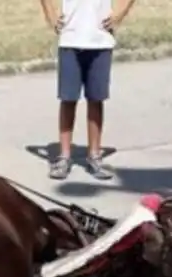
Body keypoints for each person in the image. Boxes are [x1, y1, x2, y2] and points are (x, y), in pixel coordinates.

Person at [41, 0, 135, 181]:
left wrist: (119, 15)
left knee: (95, 99)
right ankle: (64, 156)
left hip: (100, 41)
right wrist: (51, 15)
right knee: (68, 99)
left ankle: (94, 155)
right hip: (71, 39)